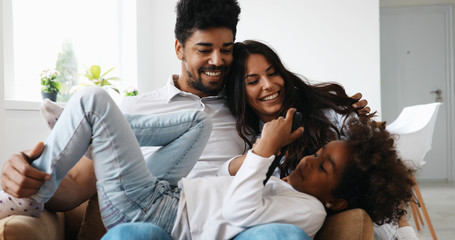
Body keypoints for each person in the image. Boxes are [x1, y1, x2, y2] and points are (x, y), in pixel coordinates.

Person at [0, 0, 367, 238]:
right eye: (204, 49)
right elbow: (78, 184)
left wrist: (353, 120)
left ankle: (91, 122)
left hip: (222, 224)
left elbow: (330, 162)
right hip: (151, 208)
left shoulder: (245, 110)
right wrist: (25, 175)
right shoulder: (135, 107)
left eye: (226, 50)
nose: (218, 61)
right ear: (179, 48)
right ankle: (93, 123)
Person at [0, 87, 414, 240]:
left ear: (337, 202)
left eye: (323, 167)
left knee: (91, 99)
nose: (309, 159)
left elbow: (236, 211)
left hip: (153, 210)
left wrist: (262, 154)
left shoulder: (307, 211)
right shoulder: (288, 187)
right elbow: (218, 185)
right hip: (169, 191)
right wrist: (241, 166)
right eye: (319, 154)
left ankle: (29, 197)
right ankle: (95, 130)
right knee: (197, 119)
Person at [221, 40, 419, 239]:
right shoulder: (251, 141)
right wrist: (266, 149)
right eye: (253, 81)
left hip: (370, 223)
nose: (268, 85)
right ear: (238, 92)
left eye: (273, 73)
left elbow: (381, 173)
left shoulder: (328, 112)